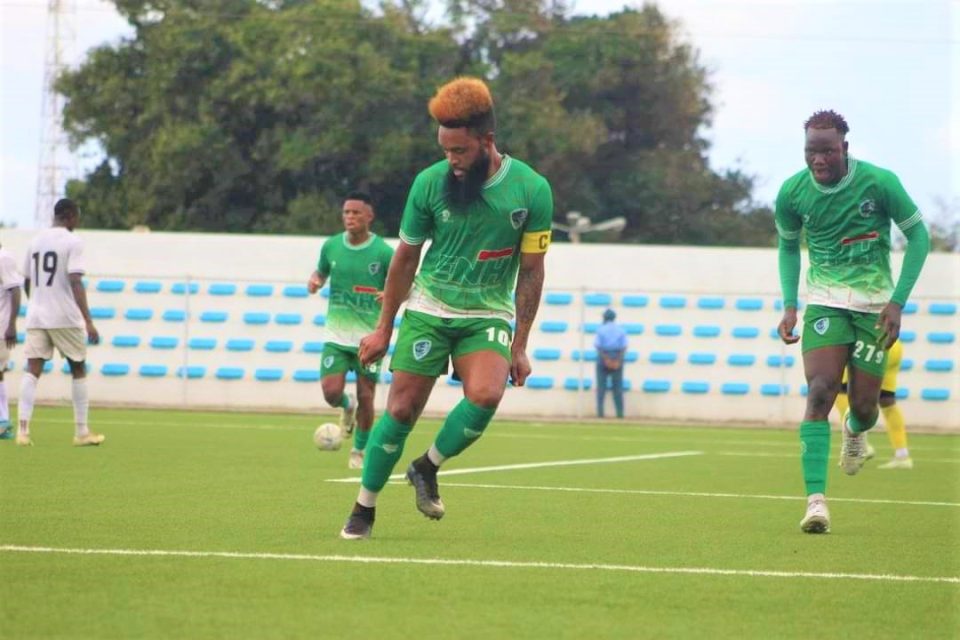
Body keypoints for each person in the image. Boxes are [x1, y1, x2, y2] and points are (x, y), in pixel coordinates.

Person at [339, 76, 553, 540]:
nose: (451, 161)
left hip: (488, 313)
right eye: (445, 150)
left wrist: (520, 345)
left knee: (487, 395)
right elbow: (405, 258)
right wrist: (383, 328)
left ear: (487, 140)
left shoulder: (532, 190)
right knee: (401, 411)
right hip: (429, 307)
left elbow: (532, 271)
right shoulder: (428, 184)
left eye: (459, 151)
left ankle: (427, 466)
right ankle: (364, 507)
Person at [776, 110, 929, 534]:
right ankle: (815, 503)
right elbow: (787, 248)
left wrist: (897, 302)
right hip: (824, 304)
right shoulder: (792, 192)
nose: (818, 159)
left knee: (864, 408)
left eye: (827, 151)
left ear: (844, 147)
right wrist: (790, 305)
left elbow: (919, 236)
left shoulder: (879, 182)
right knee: (820, 391)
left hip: (873, 308)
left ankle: (855, 431)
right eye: (811, 151)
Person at [307, 191, 394, 469]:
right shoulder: (332, 246)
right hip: (336, 336)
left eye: (356, 212)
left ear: (369, 216)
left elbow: (403, 284)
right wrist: (315, 281)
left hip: (369, 339)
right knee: (330, 392)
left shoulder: (383, 252)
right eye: (346, 212)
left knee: (367, 395)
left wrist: (392, 295)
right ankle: (346, 406)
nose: (350, 217)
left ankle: (359, 450)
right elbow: (320, 272)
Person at [16, 198, 103, 447]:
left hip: (37, 315)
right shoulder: (73, 241)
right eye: (77, 217)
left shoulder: (35, 241)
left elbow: (27, 281)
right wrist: (88, 321)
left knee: (32, 369)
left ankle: (23, 431)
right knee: (78, 368)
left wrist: (37, 301)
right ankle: (81, 432)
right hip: (64, 316)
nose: (78, 222)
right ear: (70, 216)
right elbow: (75, 280)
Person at [834, 339, 913, 469]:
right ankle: (902, 455)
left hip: (869, 344)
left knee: (841, 391)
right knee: (887, 400)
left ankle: (860, 444)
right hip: (893, 345)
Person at [0, 243, 23, 439]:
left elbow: (15, 290)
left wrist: (11, 325)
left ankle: (3, 421)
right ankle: (3, 421)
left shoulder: (4, 258)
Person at [595, 308, 627, 418]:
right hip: (617, 356)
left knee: (601, 388)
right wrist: (617, 360)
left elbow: (598, 347)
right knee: (617, 388)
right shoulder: (621, 330)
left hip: (603, 358)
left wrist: (607, 360)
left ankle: (600, 413)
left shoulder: (601, 330)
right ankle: (620, 413)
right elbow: (624, 347)